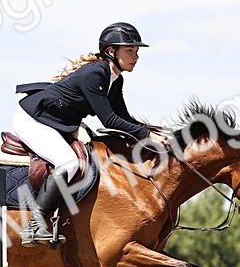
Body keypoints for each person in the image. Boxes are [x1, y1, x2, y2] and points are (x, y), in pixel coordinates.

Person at [12, 22, 162, 245]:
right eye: (129, 50)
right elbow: (109, 120)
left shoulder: (115, 78)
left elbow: (123, 117)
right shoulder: (95, 74)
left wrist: (153, 132)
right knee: (69, 163)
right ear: (111, 51)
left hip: (58, 122)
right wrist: (147, 137)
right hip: (33, 119)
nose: (136, 56)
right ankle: (34, 225)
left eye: (137, 51)